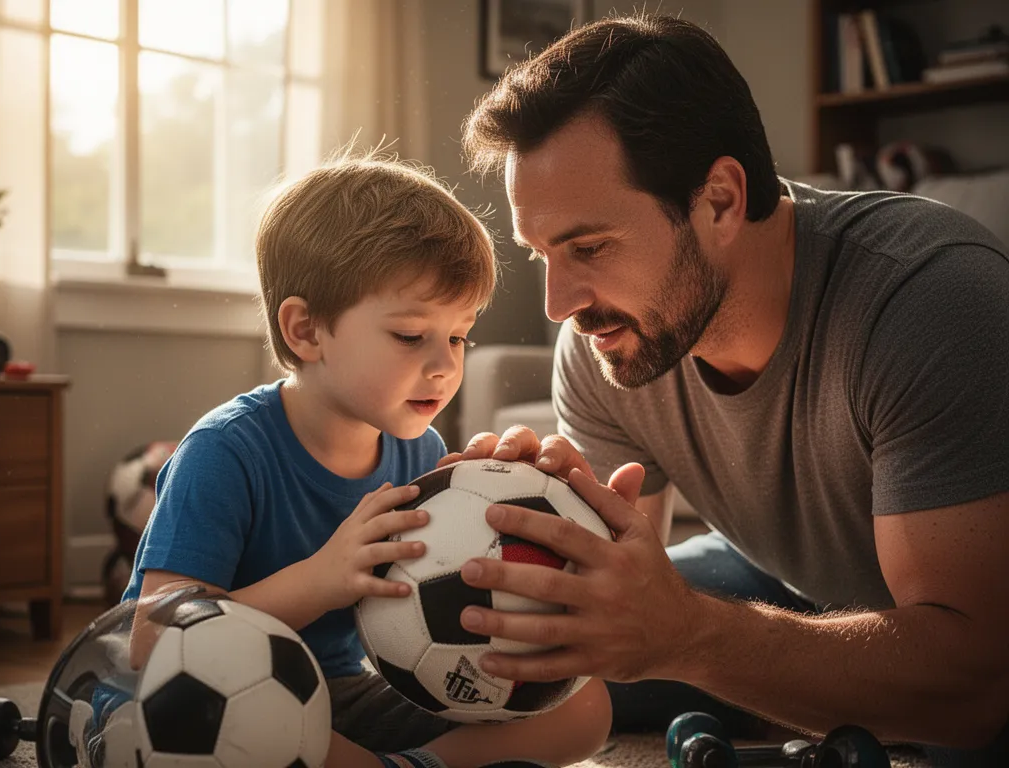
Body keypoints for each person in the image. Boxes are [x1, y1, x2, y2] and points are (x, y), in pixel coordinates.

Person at [447, 12, 1009, 765]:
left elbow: (975, 691)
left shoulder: (931, 298)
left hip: (958, 635)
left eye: (589, 247)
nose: (559, 304)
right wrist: (511, 537)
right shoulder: (607, 346)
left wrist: (689, 635)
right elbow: (617, 592)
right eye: (542, 252)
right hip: (785, 577)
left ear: (719, 200)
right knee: (532, 638)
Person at [122, 151, 612, 768]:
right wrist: (319, 580)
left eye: (459, 336)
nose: (445, 365)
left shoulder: (421, 454)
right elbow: (152, 641)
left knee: (579, 705)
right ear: (306, 331)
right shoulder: (224, 453)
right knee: (252, 730)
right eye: (411, 335)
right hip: (195, 699)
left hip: (335, 693)